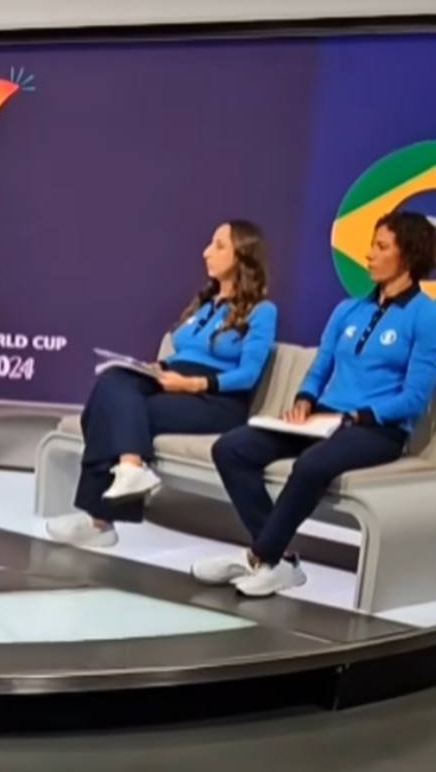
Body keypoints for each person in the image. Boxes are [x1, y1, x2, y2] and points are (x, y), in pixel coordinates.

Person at [194, 210, 436, 598]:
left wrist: (360, 415)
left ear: (409, 256)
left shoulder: (430, 318)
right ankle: (279, 560)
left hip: (377, 429)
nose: (369, 254)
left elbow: (414, 398)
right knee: (232, 448)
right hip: (323, 418)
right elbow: (320, 368)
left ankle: (259, 556)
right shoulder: (348, 309)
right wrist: (304, 400)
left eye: (381, 247)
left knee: (311, 465)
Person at [47, 220, 277, 549]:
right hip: (173, 379)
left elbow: (248, 374)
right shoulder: (206, 305)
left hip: (217, 401)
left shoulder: (262, 311)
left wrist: (194, 384)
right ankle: (130, 469)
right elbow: (185, 353)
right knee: (113, 380)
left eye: (219, 246)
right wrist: (158, 369)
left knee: (111, 410)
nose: (206, 252)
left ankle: (102, 519)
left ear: (243, 255)